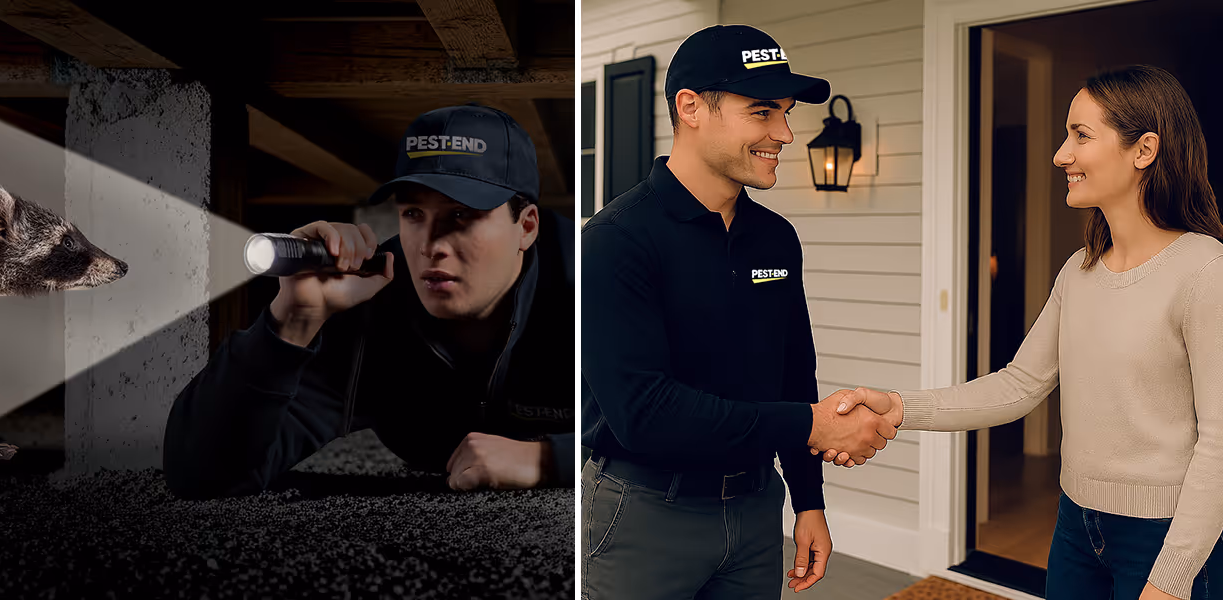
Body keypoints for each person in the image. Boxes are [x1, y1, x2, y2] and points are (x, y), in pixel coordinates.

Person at [825, 65, 1223, 600]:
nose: (1061, 154)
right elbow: (1018, 385)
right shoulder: (1079, 270)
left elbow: (1220, 443)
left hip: (1165, 537)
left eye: (1081, 136)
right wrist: (900, 407)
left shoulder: (1204, 270)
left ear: (1144, 149)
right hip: (1075, 526)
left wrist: (1171, 580)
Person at [578, 24, 901, 599]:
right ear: (692, 107)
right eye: (761, 112)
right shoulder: (615, 238)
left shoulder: (776, 238)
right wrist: (812, 424)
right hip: (645, 514)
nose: (784, 132)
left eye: (784, 113)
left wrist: (808, 501)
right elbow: (644, 413)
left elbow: (793, 377)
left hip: (756, 511)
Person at [163, 104, 575, 499]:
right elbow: (201, 476)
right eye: (414, 214)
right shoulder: (371, 307)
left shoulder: (590, 285)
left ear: (527, 227)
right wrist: (293, 320)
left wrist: (548, 458)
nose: (431, 246)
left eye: (461, 215)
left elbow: (640, 429)